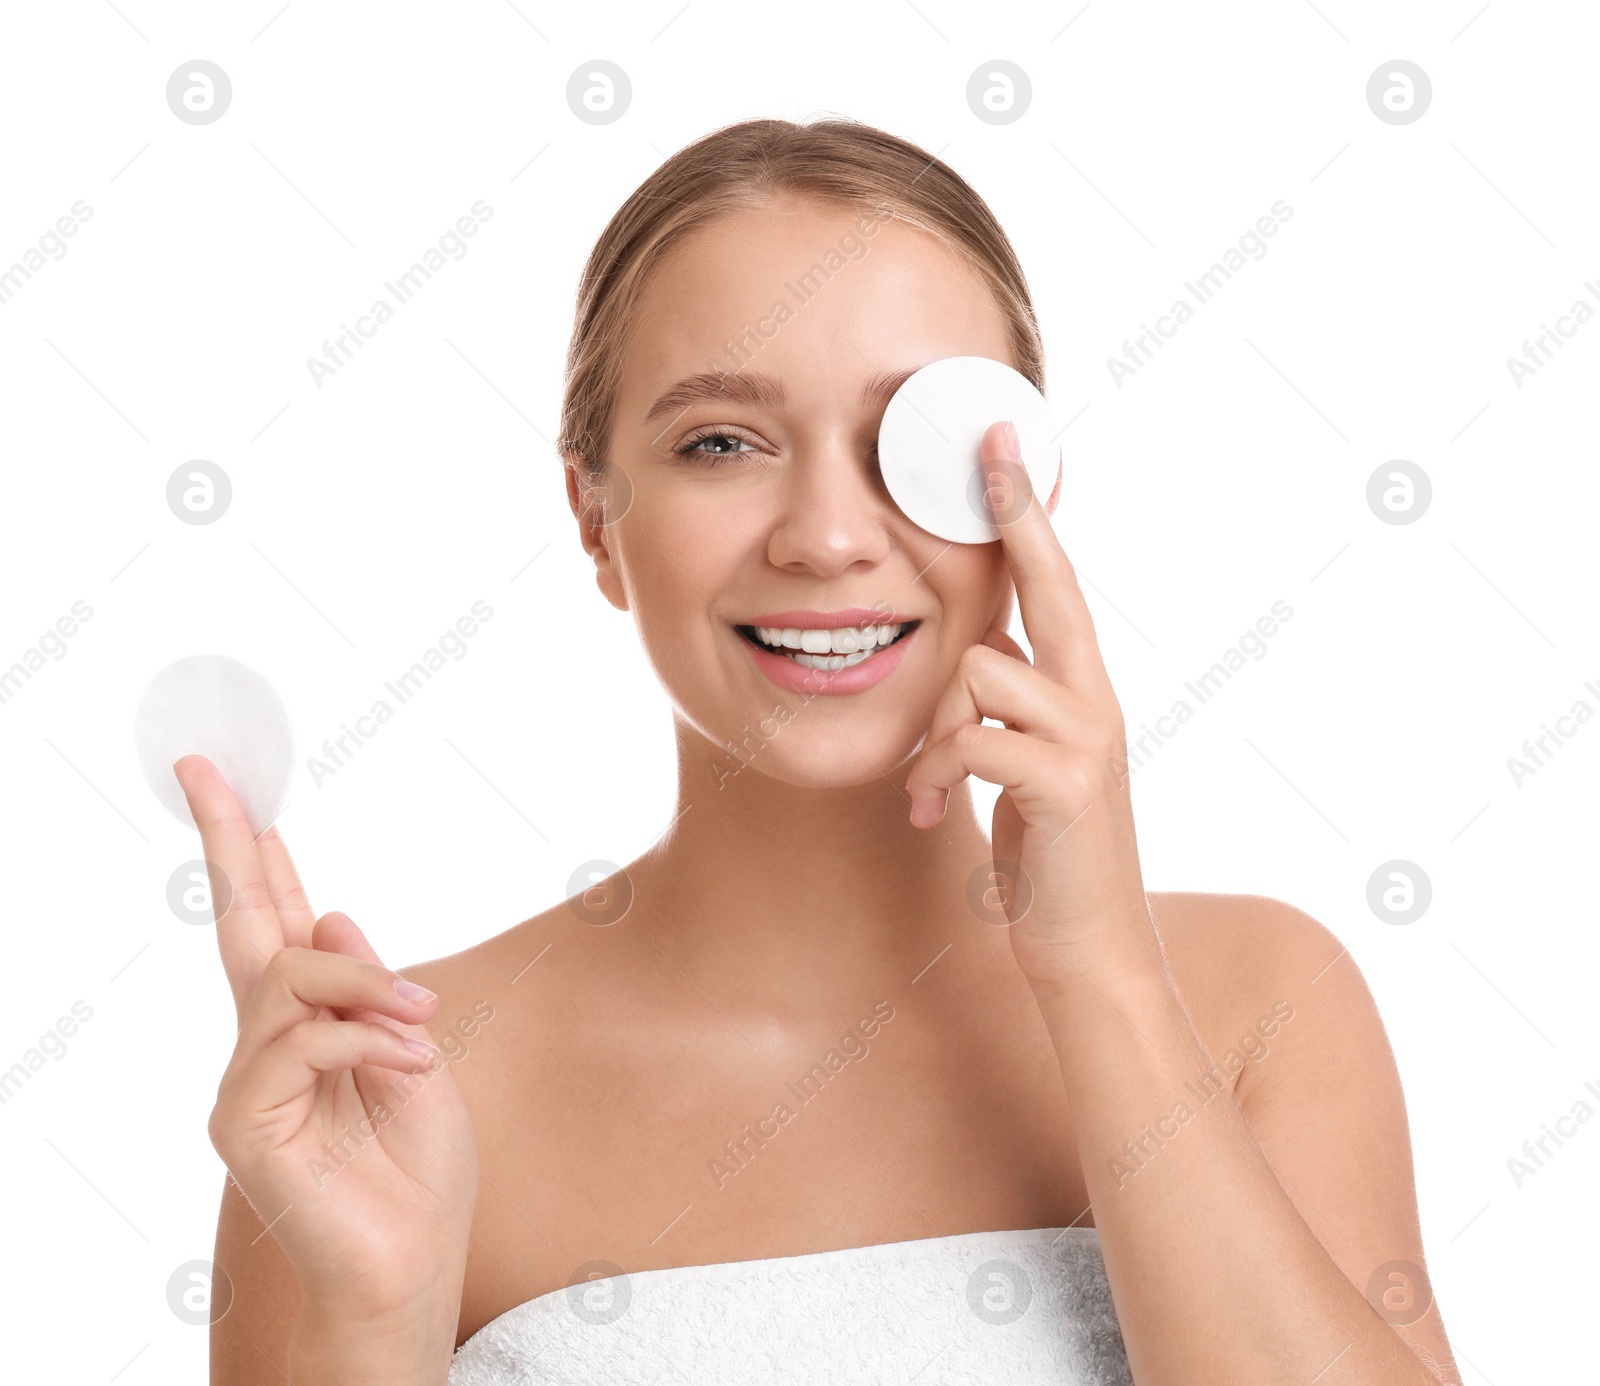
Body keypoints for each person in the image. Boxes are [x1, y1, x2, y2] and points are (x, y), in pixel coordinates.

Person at [188, 117, 1460, 1384]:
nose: (827, 537)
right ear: (593, 516)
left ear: (1028, 489)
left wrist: (1103, 977)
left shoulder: (1257, 1002)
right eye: (721, 443)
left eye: (911, 441)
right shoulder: (387, 1094)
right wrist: (372, 1325)